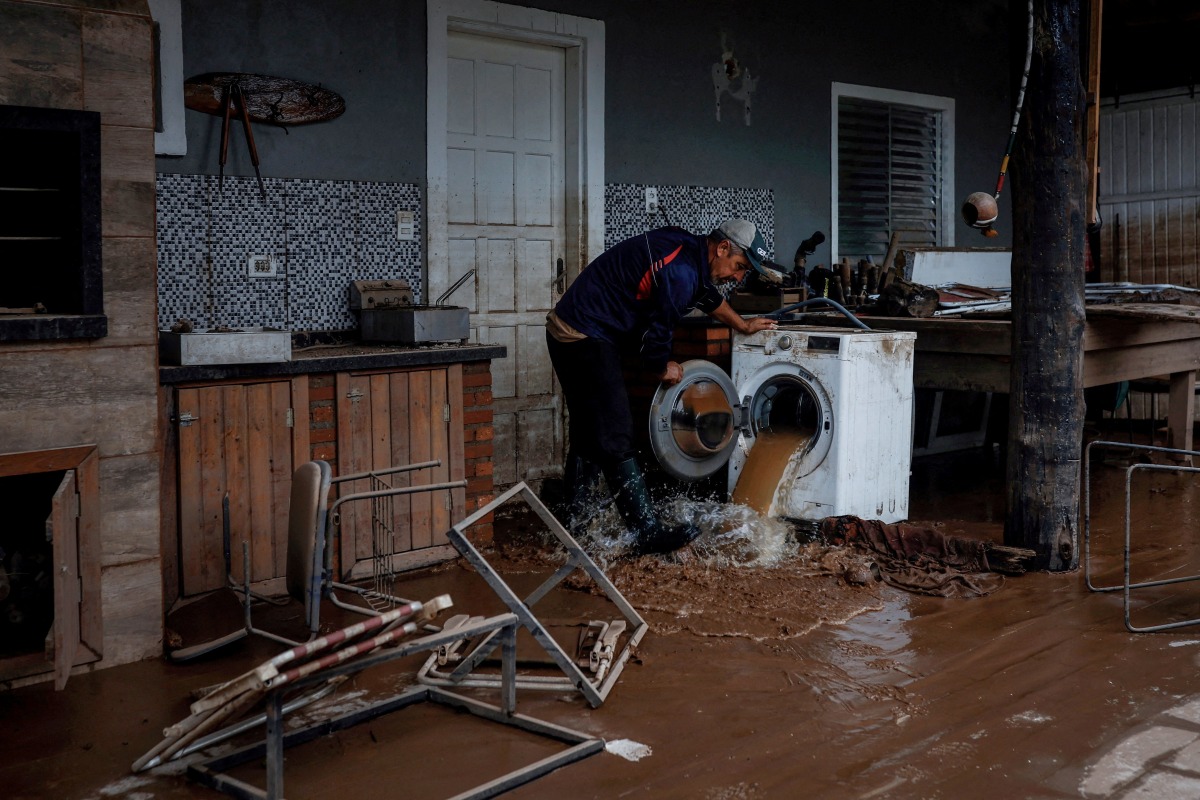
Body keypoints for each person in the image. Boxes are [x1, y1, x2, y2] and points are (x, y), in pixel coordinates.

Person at [545, 218, 779, 555]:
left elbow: (706, 295)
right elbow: (658, 335)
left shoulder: (689, 251)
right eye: (740, 266)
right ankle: (646, 532)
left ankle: (575, 518)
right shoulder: (681, 272)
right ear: (722, 248)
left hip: (578, 328)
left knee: (589, 427)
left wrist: (741, 325)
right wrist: (660, 368)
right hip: (581, 335)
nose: (738, 277)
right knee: (616, 430)